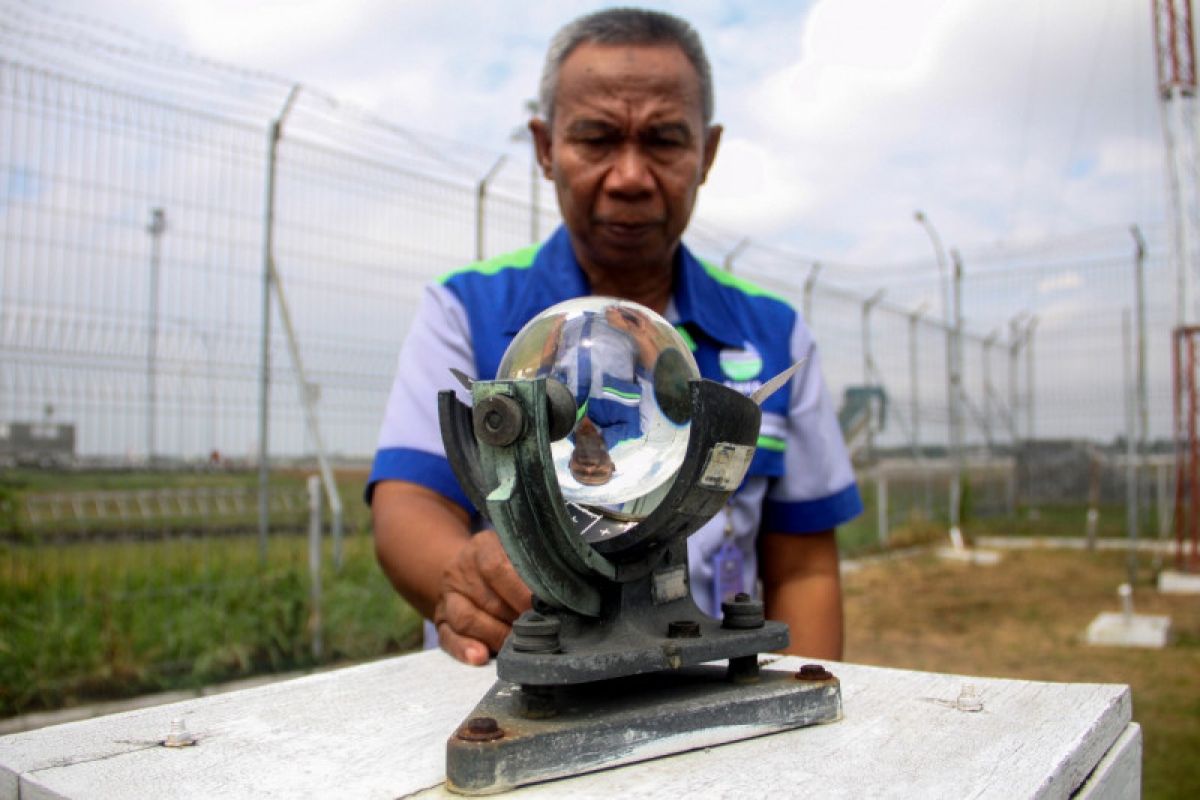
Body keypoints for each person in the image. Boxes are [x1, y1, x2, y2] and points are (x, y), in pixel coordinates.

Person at [368, 7, 861, 667]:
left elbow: (804, 568)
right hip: (511, 694)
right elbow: (408, 505)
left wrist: (802, 726)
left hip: (706, 700)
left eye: (663, 140)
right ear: (545, 148)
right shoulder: (466, 310)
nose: (629, 176)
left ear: (706, 154)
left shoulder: (774, 333)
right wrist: (467, 574)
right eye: (597, 138)